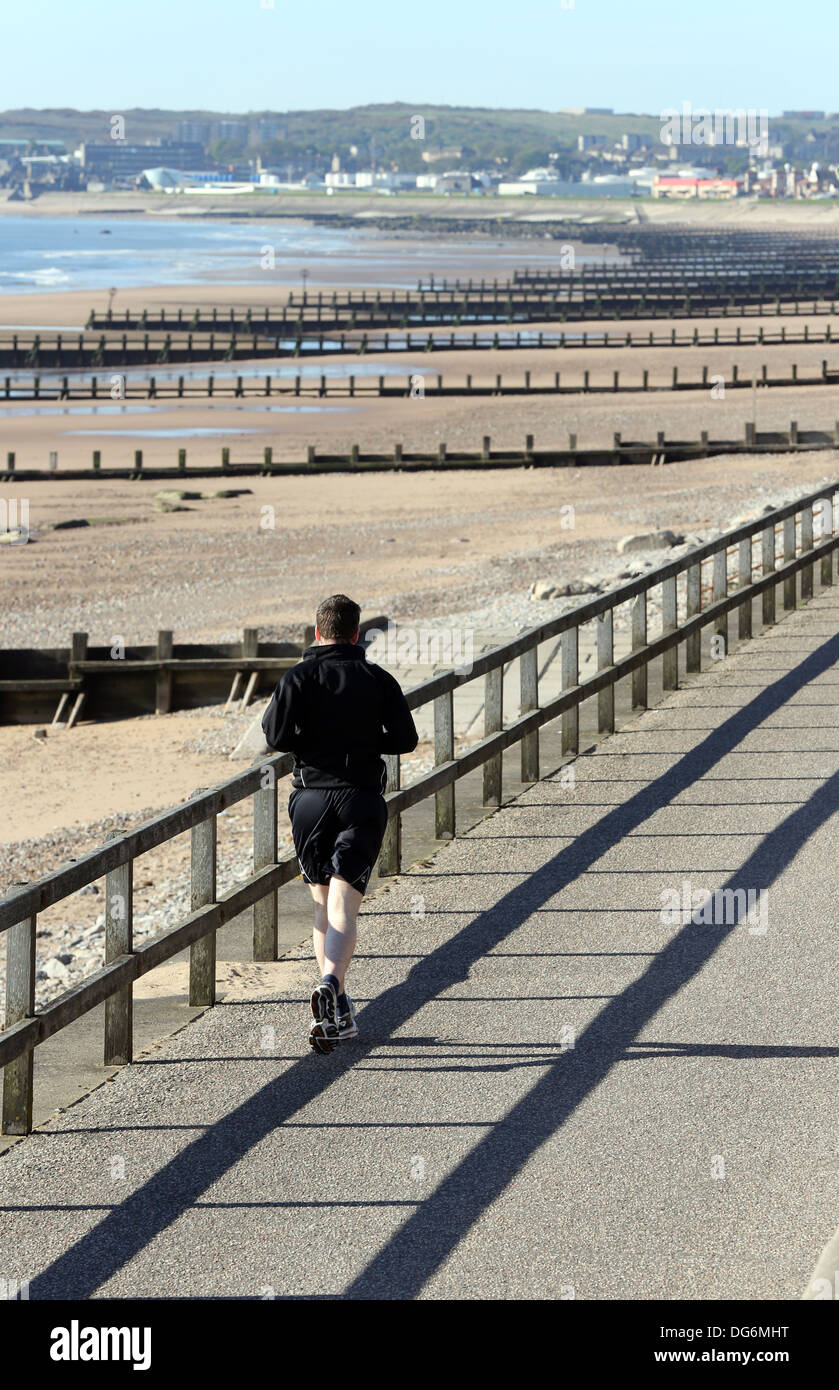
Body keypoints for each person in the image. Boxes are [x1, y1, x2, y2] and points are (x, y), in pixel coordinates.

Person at [262, 594, 418, 1054]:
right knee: (344, 911)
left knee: (320, 908)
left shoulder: (297, 677)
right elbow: (405, 740)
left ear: (316, 633)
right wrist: (366, 737)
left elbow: (274, 737)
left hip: (310, 800)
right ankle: (332, 983)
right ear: (356, 634)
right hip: (361, 800)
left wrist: (312, 739)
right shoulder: (377, 678)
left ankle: (338, 1005)